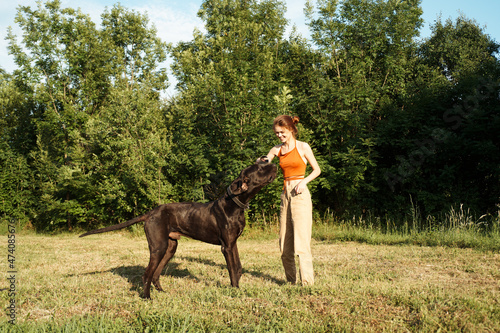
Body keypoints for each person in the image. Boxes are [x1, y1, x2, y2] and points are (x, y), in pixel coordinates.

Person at [264, 115, 321, 286]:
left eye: (282, 132)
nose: (279, 136)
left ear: (291, 129)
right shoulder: (277, 149)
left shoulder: (303, 147)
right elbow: (266, 161)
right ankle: (291, 282)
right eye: (276, 133)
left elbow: (317, 169)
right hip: (285, 194)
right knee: (284, 244)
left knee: (301, 243)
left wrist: (304, 182)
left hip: (300, 193)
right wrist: (262, 161)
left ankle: (307, 284)